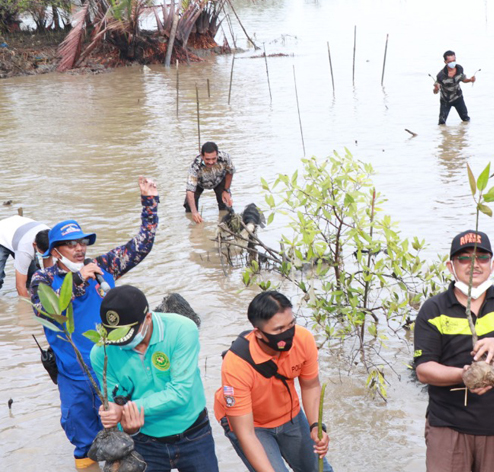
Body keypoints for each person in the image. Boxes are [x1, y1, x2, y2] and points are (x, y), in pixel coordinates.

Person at [29, 176, 158, 468]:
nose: (79, 249)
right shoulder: (44, 279)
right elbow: (41, 309)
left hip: (113, 371)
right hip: (74, 376)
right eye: (71, 244)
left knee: (129, 436)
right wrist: (76, 282)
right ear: (56, 250)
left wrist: (150, 203)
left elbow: (140, 246)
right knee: (84, 442)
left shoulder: (103, 267)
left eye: (82, 242)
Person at [413, 230, 494, 472]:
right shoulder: (434, 309)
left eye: (482, 258)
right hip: (447, 424)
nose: (474, 264)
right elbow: (424, 370)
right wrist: (464, 375)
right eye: (464, 258)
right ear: (450, 266)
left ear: (492, 264)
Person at [91, 285, 219, 472]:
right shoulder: (101, 353)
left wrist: (126, 410)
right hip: (144, 441)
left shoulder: (182, 330)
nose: (122, 345)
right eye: (115, 338)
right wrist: (121, 422)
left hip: (194, 434)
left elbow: (180, 393)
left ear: (148, 318)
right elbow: (115, 402)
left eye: (126, 337)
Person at [214, 291, 333, 472]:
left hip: (290, 415)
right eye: (278, 330)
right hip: (253, 426)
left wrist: (316, 426)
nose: (288, 334)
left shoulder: (303, 339)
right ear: (259, 333)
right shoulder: (236, 365)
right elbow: (246, 434)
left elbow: (310, 386)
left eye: (291, 324)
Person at [184, 141, 235, 223]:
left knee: (226, 207)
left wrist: (226, 190)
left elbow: (230, 172)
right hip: (200, 183)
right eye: (207, 159)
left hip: (219, 180)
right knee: (190, 208)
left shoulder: (225, 158)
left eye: (214, 159)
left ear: (217, 155)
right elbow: (190, 191)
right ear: (202, 156)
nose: (211, 162)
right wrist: (194, 212)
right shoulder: (195, 166)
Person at [0, 214, 49, 297]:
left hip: (20, 230)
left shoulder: (52, 239)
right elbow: (19, 286)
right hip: (2, 233)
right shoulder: (25, 248)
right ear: (34, 245)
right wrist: (27, 306)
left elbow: (49, 271)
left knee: (34, 277)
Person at [434, 50, 476, 125]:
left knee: (465, 119)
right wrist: (436, 88)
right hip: (445, 100)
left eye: (454, 60)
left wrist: (470, 80)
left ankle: (464, 134)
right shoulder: (441, 75)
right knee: (441, 123)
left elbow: (463, 79)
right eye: (450, 61)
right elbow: (435, 91)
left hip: (458, 98)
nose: (453, 63)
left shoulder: (459, 68)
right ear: (445, 62)